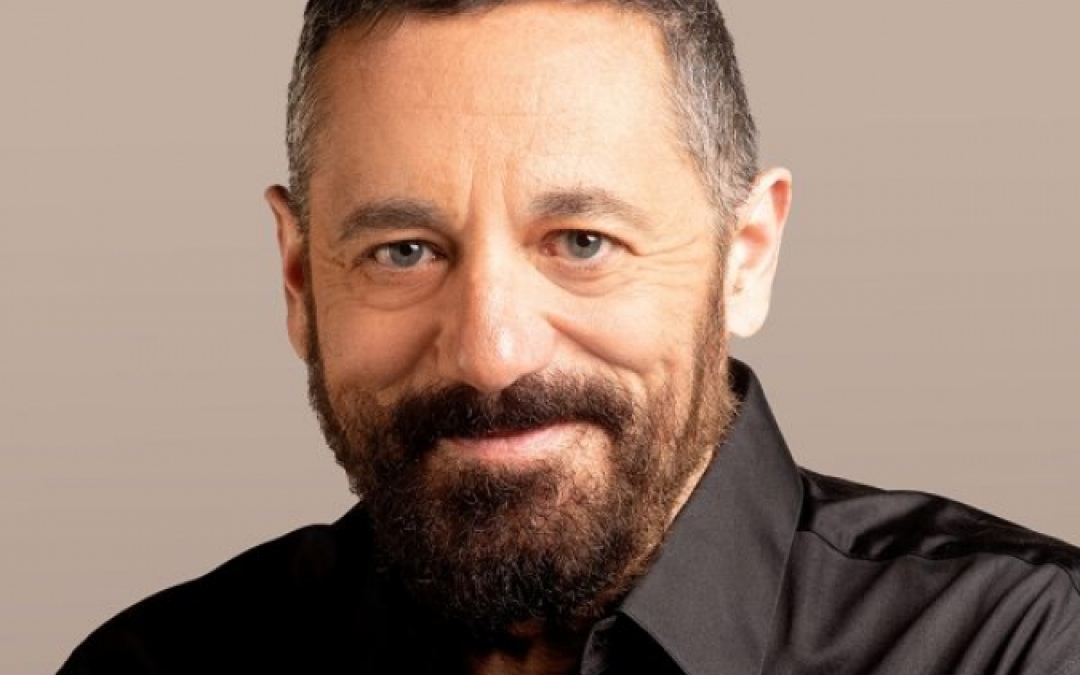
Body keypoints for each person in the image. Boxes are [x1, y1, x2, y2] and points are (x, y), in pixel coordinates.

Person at [58, 1, 1080, 673]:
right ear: (298, 279)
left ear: (746, 256)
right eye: (404, 252)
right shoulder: (156, 666)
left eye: (583, 241)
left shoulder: (1021, 647)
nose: (491, 352)